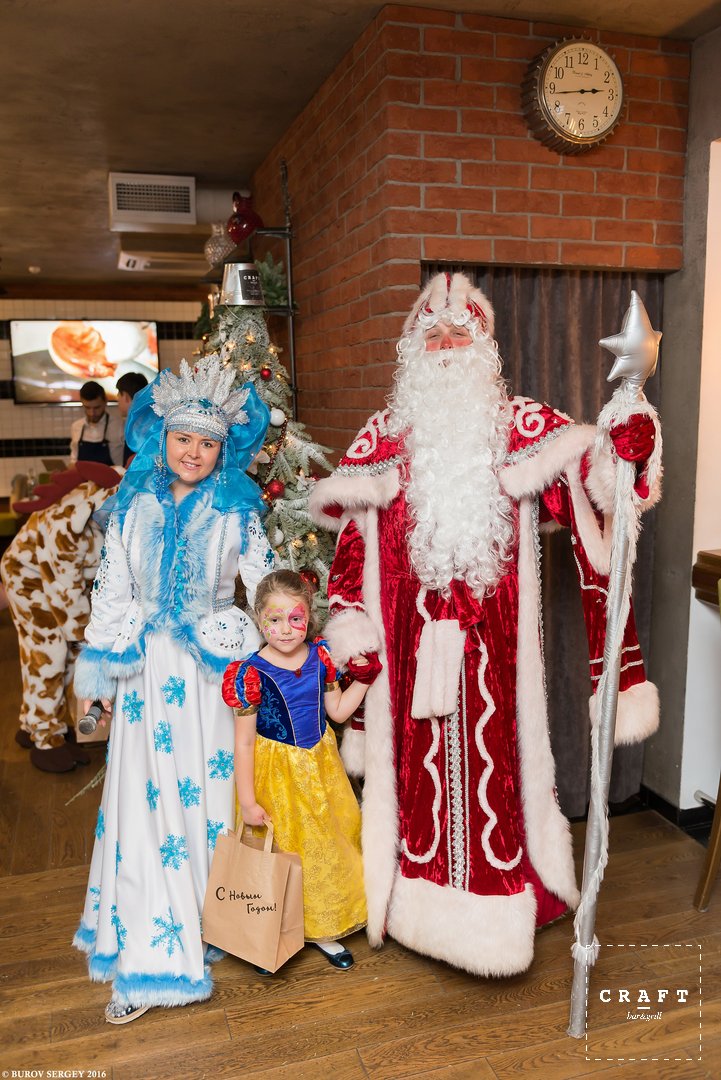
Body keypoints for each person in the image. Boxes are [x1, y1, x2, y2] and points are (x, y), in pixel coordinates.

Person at [309, 272, 662, 978]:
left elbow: (601, 491)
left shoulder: (522, 427)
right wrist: (352, 632)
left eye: (458, 334)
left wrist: (629, 440)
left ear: (484, 347)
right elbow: (349, 552)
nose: (445, 346)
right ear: (413, 350)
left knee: (496, 768)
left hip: (496, 652)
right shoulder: (383, 437)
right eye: (432, 335)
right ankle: (416, 905)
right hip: (407, 654)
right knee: (416, 775)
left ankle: (503, 905)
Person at [72, 356, 273, 1024]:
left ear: (223, 450)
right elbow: (112, 590)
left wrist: (286, 644)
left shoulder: (237, 512)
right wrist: (97, 674)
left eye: (207, 442)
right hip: (145, 676)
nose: (193, 451)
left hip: (211, 679)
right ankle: (152, 959)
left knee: (206, 801)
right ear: (160, 439)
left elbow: (266, 587)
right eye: (182, 437)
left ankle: (206, 917)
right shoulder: (131, 509)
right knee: (145, 805)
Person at [222, 569, 377, 970]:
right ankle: (271, 933)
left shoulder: (320, 658)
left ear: (309, 616)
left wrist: (363, 680)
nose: (286, 629)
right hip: (276, 776)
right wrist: (247, 801)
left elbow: (337, 712)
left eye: (295, 618)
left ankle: (323, 929)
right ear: (259, 619)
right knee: (282, 852)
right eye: (274, 619)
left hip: (322, 770)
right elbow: (243, 743)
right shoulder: (250, 674)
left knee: (325, 845)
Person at [1, 462, 122, 772]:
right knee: (49, 655)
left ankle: (36, 723)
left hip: (57, 583)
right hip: (29, 579)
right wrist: (86, 639)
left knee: (58, 657)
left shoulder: (108, 509)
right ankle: (45, 739)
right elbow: (65, 589)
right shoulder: (67, 525)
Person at [69, 381, 124, 466]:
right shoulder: (76, 427)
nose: (92, 413)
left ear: (105, 402)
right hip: (84, 475)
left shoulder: (120, 425)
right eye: (87, 407)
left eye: (97, 408)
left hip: (113, 475)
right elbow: (73, 461)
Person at [116, 371, 149, 466]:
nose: (118, 400)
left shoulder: (135, 424)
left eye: (119, 395)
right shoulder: (148, 417)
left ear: (125, 396)